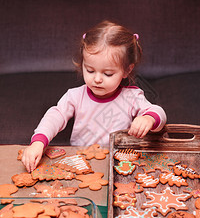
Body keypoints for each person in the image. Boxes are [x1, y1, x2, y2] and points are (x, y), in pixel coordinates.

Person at [22, 20, 167, 172]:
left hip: (119, 162)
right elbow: (55, 116)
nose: (97, 79)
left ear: (126, 70)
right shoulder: (75, 96)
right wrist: (38, 142)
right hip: (80, 162)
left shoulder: (131, 97)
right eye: (90, 70)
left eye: (108, 73)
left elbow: (159, 114)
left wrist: (148, 118)